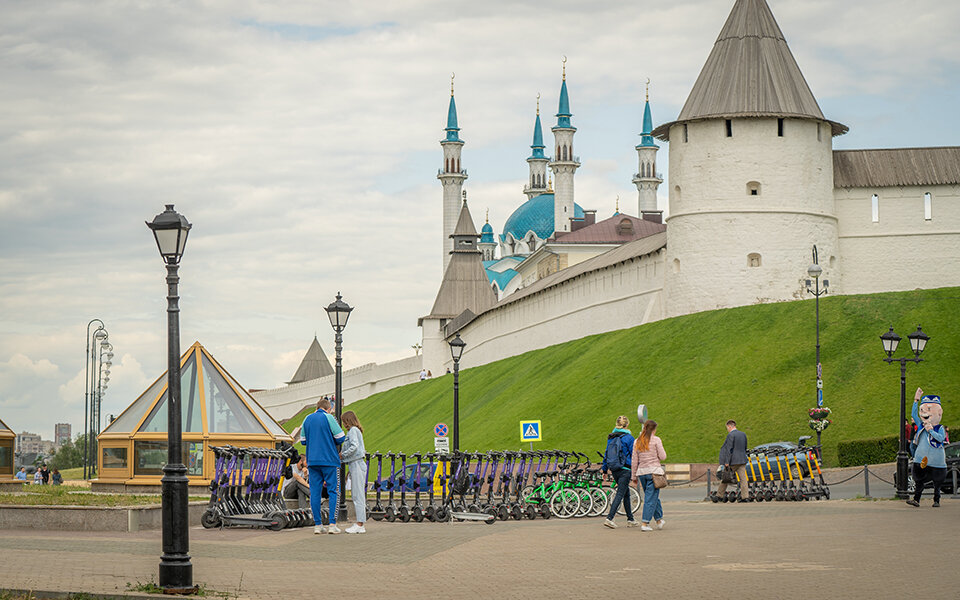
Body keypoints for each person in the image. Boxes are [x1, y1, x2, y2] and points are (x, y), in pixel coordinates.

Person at [301, 397, 347, 534]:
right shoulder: (329, 418)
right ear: (328, 408)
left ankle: (318, 525)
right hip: (329, 460)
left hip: (312, 461)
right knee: (333, 491)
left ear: (317, 407)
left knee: (315, 492)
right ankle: (332, 524)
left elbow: (303, 441)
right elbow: (341, 437)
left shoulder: (307, 419)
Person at [907, 388, 947, 508]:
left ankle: (936, 501)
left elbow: (941, 438)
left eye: (929, 409)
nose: (925, 412)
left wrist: (931, 431)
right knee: (919, 482)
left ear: (939, 412)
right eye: (923, 409)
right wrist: (916, 400)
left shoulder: (939, 428)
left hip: (937, 462)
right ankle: (916, 500)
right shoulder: (921, 426)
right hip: (921, 460)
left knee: (937, 484)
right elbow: (914, 414)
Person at [601, 415, 636, 528]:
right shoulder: (629, 438)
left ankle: (630, 519)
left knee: (625, 494)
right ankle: (609, 518)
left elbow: (607, 453)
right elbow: (633, 455)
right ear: (627, 425)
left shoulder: (611, 437)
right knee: (620, 494)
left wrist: (605, 469)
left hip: (614, 469)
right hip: (625, 469)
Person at [631, 419, 666, 531]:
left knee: (653, 497)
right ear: (654, 429)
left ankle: (659, 520)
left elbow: (634, 460)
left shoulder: (637, 441)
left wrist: (633, 476)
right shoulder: (656, 440)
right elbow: (663, 456)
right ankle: (645, 523)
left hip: (642, 473)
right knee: (650, 499)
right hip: (654, 473)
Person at [339, 410, 367, 534]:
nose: (343, 424)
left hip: (356, 464)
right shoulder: (356, 431)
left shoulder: (353, 431)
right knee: (357, 494)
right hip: (356, 464)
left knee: (357, 495)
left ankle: (360, 524)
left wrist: (343, 455)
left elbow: (354, 446)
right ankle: (360, 523)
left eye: (344, 421)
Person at [716, 419, 750, 502]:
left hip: (733, 461)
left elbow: (729, 449)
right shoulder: (743, 434)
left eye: (727, 428)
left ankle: (719, 496)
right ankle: (745, 497)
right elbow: (745, 447)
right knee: (743, 479)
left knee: (726, 477)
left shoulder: (731, 435)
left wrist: (726, 462)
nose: (727, 430)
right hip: (742, 460)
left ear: (729, 426)